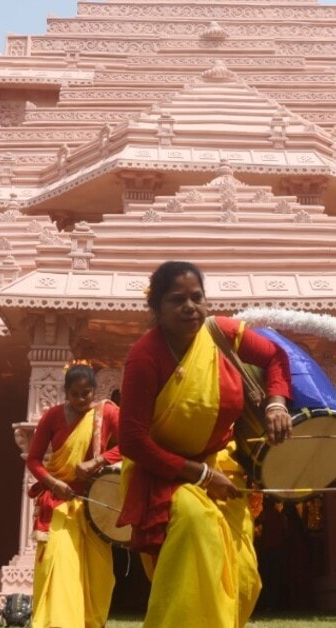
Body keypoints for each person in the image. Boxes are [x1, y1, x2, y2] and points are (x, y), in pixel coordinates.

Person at [117, 261, 293, 628]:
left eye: (197, 297)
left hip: (222, 466)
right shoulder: (144, 358)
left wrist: (277, 401)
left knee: (243, 577)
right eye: (176, 299)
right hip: (165, 474)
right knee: (199, 531)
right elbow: (132, 441)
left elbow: (275, 356)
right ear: (157, 308)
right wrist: (200, 475)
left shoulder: (222, 333)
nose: (190, 307)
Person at [27, 362, 123, 628]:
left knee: (98, 572)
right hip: (59, 502)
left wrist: (98, 462)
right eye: (75, 394)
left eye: (87, 393)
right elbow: (33, 460)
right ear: (65, 393)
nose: (82, 399)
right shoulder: (51, 417)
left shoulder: (107, 413)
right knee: (59, 564)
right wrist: (53, 483)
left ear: (95, 390)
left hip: (94, 504)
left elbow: (132, 443)